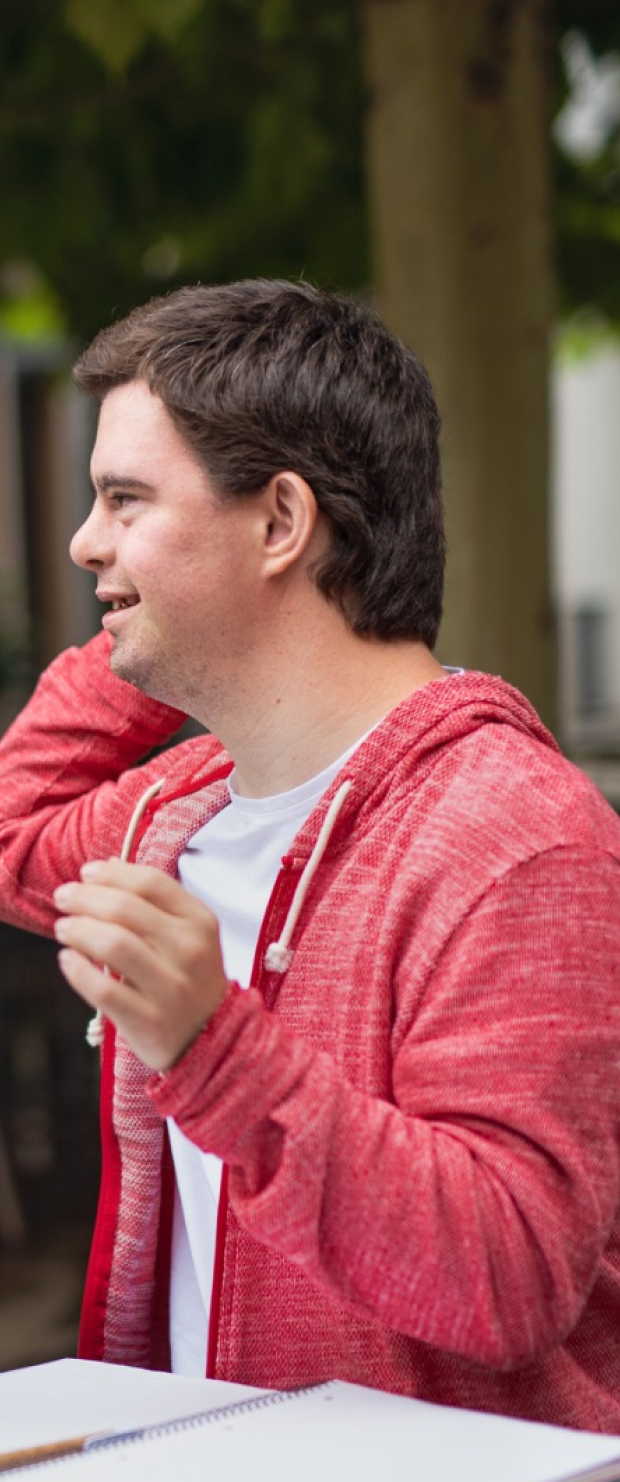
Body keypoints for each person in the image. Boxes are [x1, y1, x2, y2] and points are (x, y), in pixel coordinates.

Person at [1, 280, 620, 1433]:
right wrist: (161, 623)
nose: (85, 539)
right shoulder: (176, 811)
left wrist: (213, 1049)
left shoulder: (516, 835)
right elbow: (13, 829)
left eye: (125, 499)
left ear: (280, 522)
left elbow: (510, 1275)